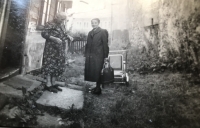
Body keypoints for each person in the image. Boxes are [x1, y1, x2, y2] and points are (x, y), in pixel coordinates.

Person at [41, 12, 72, 93]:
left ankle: (53, 83)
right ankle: (48, 84)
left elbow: (63, 34)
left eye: (64, 20)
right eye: (61, 19)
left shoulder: (61, 25)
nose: (62, 21)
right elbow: (44, 34)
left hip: (60, 48)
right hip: (51, 48)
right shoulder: (50, 23)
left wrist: (68, 36)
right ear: (56, 17)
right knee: (49, 64)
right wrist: (54, 38)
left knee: (58, 65)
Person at [84, 18, 109, 95]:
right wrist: (86, 54)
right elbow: (88, 45)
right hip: (91, 55)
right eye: (92, 23)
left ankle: (98, 88)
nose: (93, 24)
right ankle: (97, 87)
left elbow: (105, 44)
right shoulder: (90, 32)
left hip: (99, 55)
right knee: (94, 71)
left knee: (99, 71)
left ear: (98, 23)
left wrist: (105, 56)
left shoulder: (102, 32)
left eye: (95, 23)